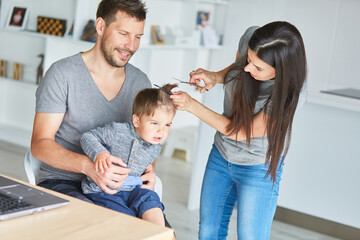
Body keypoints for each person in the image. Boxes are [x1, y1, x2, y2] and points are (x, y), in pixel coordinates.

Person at [31, 0, 171, 228]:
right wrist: (89, 167)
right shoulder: (62, 74)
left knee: (161, 233)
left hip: (122, 188)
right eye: (124, 34)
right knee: (109, 230)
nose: (131, 45)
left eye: (138, 37)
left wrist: (148, 171)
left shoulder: (140, 83)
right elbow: (40, 144)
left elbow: (146, 141)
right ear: (100, 26)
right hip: (63, 183)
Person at [171, 21, 307, 239]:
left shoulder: (292, 93)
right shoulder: (253, 38)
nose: (247, 68)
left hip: (258, 167)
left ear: (281, 70)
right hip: (221, 155)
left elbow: (241, 132)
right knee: (208, 232)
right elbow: (237, 69)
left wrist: (191, 106)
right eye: (249, 59)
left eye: (258, 67)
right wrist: (214, 76)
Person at [81, 84, 176, 226]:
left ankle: (157, 233)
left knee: (151, 199)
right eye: (155, 123)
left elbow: (148, 168)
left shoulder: (156, 146)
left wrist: (151, 172)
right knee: (124, 218)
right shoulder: (117, 131)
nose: (161, 131)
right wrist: (100, 153)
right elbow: (87, 137)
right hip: (104, 190)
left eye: (167, 125)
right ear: (136, 120)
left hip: (134, 189)